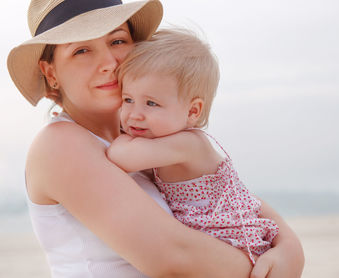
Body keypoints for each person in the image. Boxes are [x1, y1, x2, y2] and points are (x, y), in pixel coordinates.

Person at [7, 0, 304, 277]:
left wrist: (288, 244)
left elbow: (226, 193)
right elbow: (173, 256)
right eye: (82, 50)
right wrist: (262, 264)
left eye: (117, 41)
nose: (109, 62)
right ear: (50, 72)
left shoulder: (143, 135)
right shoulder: (60, 145)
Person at [107, 29, 279, 265]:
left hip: (232, 245)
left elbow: (121, 156)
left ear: (192, 112)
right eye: (128, 100)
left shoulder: (187, 144)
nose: (134, 115)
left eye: (151, 103)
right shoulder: (165, 145)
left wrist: (115, 131)